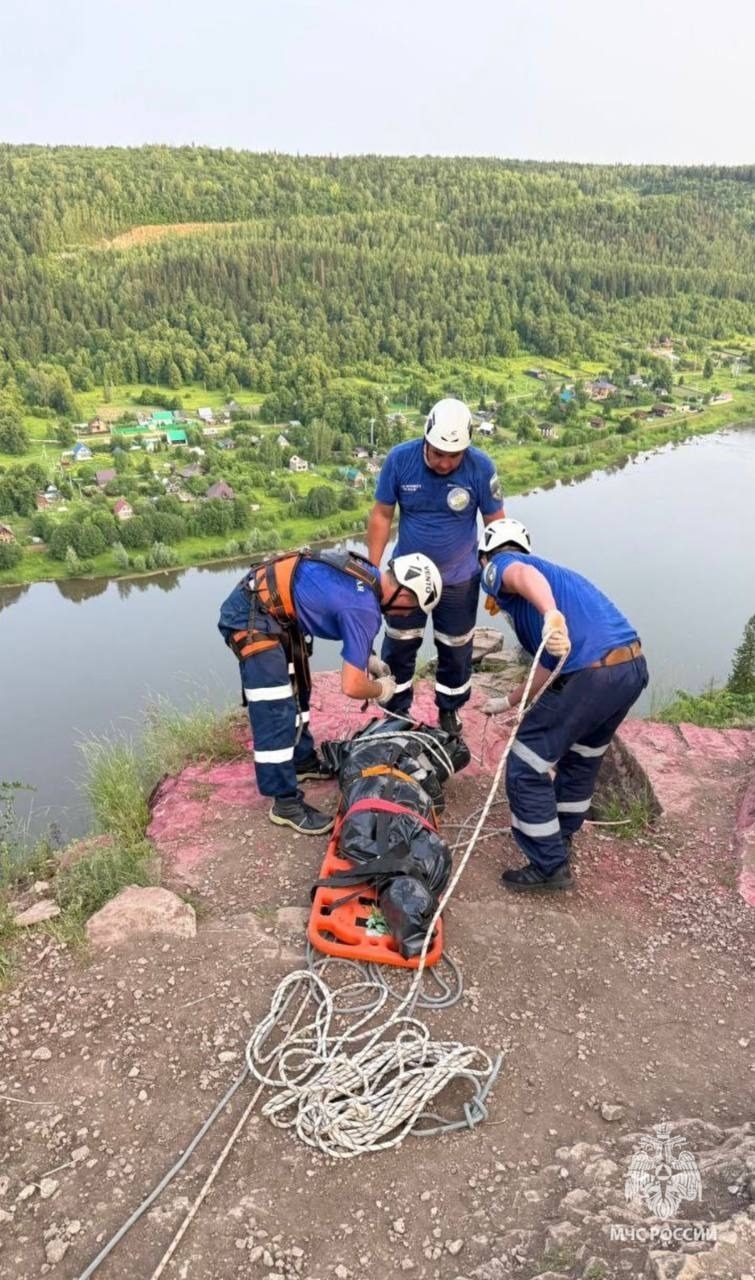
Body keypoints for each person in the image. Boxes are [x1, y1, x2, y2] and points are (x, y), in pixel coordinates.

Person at [218, 547, 442, 835]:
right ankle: (285, 804)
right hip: (250, 616)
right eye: (411, 609)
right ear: (405, 594)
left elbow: (344, 608)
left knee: (299, 692)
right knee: (275, 709)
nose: (406, 616)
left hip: (274, 611)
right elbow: (351, 686)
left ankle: (302, 762)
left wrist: (367, 657)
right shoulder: (364, 608)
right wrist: (381, 689)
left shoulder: (369, 575)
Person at [478, 518, 648, 892]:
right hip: (629, 669)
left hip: (591, 675)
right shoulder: (558, 579)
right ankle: (561, 835)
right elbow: (549, 663)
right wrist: (510, 701)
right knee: (581, 757)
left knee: (525, 763)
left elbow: (519, 573)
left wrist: (551, 615)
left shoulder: (502, 565)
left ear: (484, 556)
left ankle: (549, 865)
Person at [366, 398, 504, 737]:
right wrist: (370, 572)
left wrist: (500, 575)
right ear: (426, 439)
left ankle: (449, 711)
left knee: (456, 649)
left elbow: (496, 524)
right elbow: (382, 515)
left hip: (459, 580)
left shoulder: (481, 468)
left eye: (453, 456)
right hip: (405, 580)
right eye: (438, 453)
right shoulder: (400, 460)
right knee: (399, 645)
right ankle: (396, 714)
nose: (444, 463)